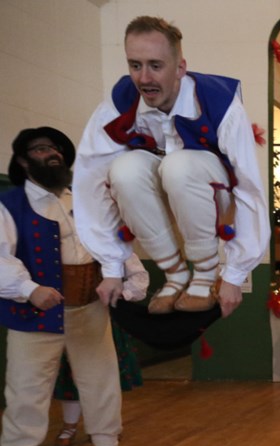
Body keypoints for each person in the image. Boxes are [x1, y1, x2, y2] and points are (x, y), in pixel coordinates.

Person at [73, 15, 269, 318]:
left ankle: (204, 273)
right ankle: (175, 274)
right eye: (135, 65)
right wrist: (111, 266)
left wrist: (233, 274)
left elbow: (249, 187)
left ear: (180, 67)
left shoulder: (220, 101)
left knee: (178, 166)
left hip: (214, 198)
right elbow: (90, 181)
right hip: (158, 199)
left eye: (155, 65)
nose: (144, 78)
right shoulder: (119, 101)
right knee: (124, 169)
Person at [0, 127, 125, 446]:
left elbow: (113, 241)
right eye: (40, 149)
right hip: (33, 314)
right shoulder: (9, 203)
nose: (51, 154)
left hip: (88, 308)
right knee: (25, 394)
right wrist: (28, 288)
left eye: (55, 148)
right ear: (23, 161)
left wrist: (117, 275)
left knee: (102, 383)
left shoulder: (84, 200)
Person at [53, 254, 149, 446]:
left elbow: (138, 276)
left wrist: (122, 293)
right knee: (69, 374)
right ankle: (69, 425)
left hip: (101, 316)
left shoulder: (106, 239)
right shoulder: (54, 238)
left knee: (104, 376)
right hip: (65, 316)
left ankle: (104, 428)